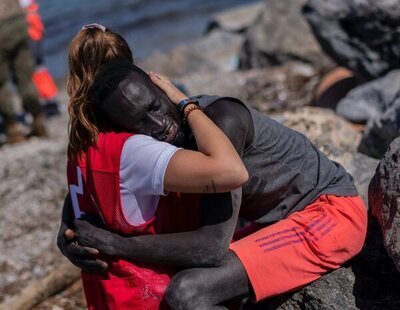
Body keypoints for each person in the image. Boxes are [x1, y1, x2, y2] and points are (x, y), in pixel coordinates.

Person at [58, 25, 368, 309]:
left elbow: (211, 248)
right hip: (279, 221)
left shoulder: (222, 120)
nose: (158, 126)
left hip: (327, 214)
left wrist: (118, 245)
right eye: (140, 123)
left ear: (164, 89)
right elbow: (93, 178)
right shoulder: (152, 139)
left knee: (188, 291)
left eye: (156, 107)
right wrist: (69, 231)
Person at [64, 25, 248, 309]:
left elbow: (81, 201)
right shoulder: (134, 149)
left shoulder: (82, 141)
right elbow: (230, 173)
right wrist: (185, 104)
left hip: (108, 295)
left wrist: (66, 235)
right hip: (149, 293)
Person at [0, 0, 47, 143]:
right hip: (17, 19)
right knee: (25, 77)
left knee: (1, 84)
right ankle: (38, 119)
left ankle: (13, 128)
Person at [19, 0, 60, 117]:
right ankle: (49, 101)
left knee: (35, 69)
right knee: (37, 68)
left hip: (29, 29)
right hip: (31, 27)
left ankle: (49, 102)